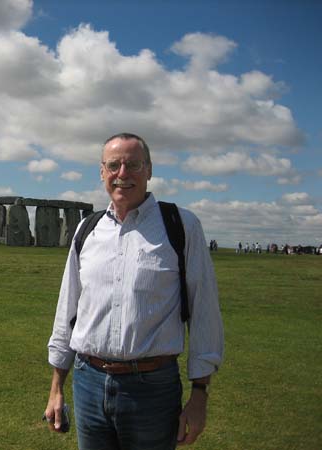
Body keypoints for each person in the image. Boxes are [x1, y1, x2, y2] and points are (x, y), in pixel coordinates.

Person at [44, 133, 224, 450]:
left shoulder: (181, 226)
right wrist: (57, 386)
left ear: (149, 170)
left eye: (133, 165)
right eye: (114, 165)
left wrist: (200, 394)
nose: (123, 174)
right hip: (88, 382)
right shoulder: (87, 228)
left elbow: (204, 311)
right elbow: (68, 310)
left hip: (152, 388)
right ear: (102, 172)